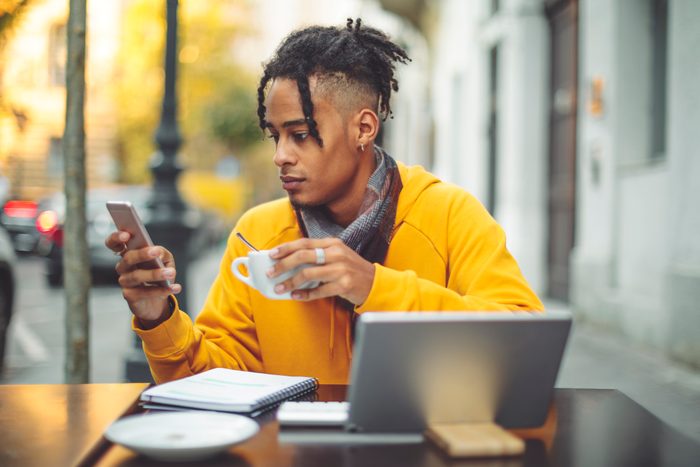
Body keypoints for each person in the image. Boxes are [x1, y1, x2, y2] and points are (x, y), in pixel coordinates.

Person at [106, 19, 543, 385]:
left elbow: (525, 346)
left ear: (364, 128)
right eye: (275, 136)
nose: (280, 155)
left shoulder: (449, 213)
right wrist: (157, 318)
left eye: (300, 135)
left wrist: (372, 286)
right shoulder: (256, 234)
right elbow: (210, 384)